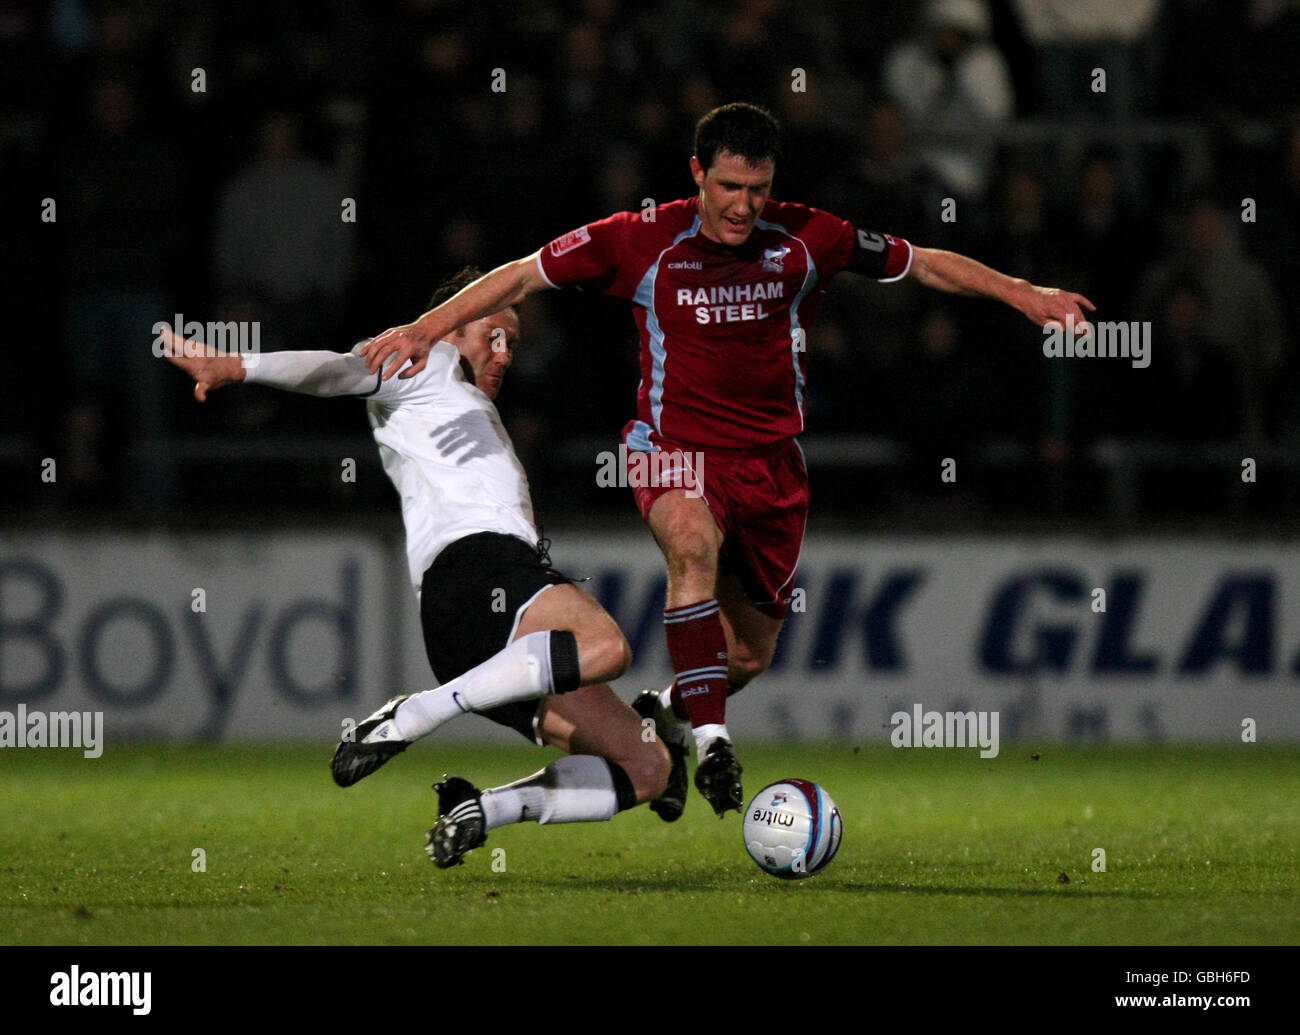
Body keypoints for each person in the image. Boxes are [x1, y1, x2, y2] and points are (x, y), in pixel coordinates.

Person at [360, 102, 1095, 818]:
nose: (743, 206)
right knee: (692, 545)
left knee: (746, 656)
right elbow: (520, 275)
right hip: (671, 450)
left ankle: (671, 714)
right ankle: (713, 742)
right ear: (697, 176)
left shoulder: (808, 238)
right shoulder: (642, 238)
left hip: (771, 467)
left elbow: (923, 263)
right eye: (729, 187)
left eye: (757, 189)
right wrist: (427, 328)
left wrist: (1023, 293)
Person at [158, 267, 671, 868]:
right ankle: (418, 713)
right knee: (606, 645)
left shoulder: (472, 406)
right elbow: (340, 369)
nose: (505, 353)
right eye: (493, 333)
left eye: (514, 341)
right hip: (477, 569)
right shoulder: (424, 364)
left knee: (648, 765)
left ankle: (480, 810)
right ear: (451, 325)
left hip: (479, 634)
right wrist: (240, 367)